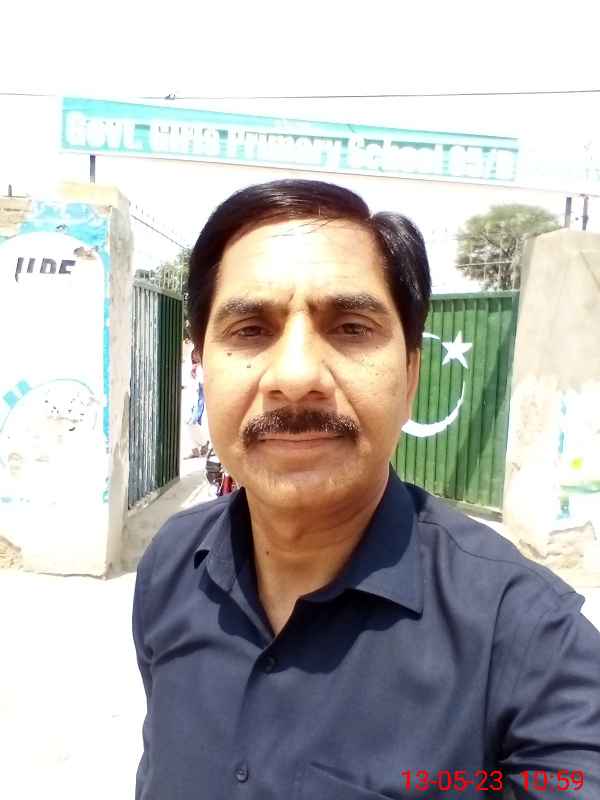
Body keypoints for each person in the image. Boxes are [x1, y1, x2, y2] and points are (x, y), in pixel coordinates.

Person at [133, 179, 600, 799]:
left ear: (411, 375)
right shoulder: (171, 567)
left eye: (351, 327)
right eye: (250, 330)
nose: (296, 375)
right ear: (202, 369)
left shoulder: (527, 642)